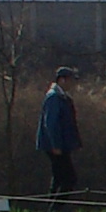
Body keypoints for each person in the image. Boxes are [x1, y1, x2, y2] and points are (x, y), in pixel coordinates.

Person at [35, 69, 82, 202]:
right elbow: (51, 123)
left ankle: (51, 208)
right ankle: (55, 209)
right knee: (69, 179)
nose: (72, 83)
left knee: (58, 177)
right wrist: (56, 145)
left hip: (61, 144)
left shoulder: (63, 97)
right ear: (62, 80)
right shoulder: (54, 98)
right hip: (56, 146)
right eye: (71, 80)